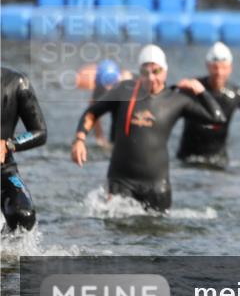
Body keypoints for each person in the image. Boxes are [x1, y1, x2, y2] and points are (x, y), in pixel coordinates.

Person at [71, 45, 225, 212]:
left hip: (157, 188)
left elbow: (218, 119)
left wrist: (201, 91)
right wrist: (80, 139)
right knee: (115, 225)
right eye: (145, 72)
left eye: (156, 71)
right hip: (121, 183)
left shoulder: (176, 99)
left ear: (165, 71)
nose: (151, 78)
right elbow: (92, 113)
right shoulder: (124, 90)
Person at [176, 42, 240, 169]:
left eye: (224, 68)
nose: (219, 72)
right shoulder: (193, 88)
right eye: (215, 67)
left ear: (230, 68)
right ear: (208, 66)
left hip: (218, 160)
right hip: (187, 158)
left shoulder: (236, 94)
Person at [1, 67, 47, 232]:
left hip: (3, 169)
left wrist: (8, 144)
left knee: (23, 216)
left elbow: (40, 132)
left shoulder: (17, 83)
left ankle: (7, 244)